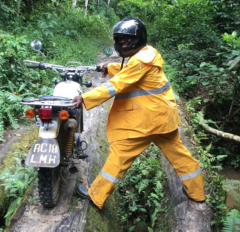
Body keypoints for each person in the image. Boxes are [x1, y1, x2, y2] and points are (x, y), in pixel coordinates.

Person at [72, 17, 205, 209]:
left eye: (127, 38)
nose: (123, 42)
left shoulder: (141, 60)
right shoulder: (146, 55)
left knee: (119, 157)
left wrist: (85, 98)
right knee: (180, 155)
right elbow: (130, 71)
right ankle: (197, 192)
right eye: (120, 39)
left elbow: (118, 84)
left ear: (139, 37)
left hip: (146, 121)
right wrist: (109, 68)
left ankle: (96, 195)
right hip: (163, 118)